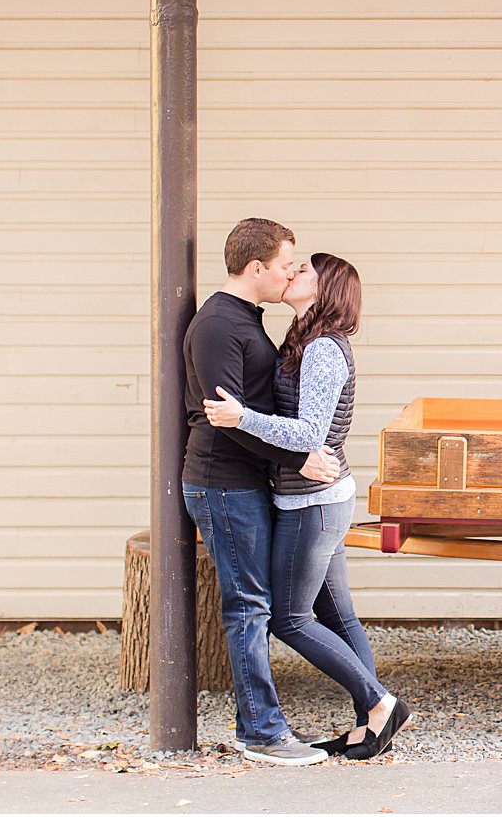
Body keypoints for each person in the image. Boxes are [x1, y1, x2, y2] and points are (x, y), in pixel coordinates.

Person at [204, 253, 411, 761]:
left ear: (327, 290)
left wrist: (240, 418)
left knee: (290, 618)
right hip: (316, 498)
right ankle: (372, 723)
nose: (293, 274)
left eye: (305, 271)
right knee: (336, 615)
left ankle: (379, 703)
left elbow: (308, 435)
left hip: (312, 504)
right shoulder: (304, 340)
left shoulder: (321, 350)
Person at [180, 218, 342, 766]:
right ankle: (261, 732)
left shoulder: (246, 320)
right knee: (249, 607)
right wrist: (299, 456)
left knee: (275, 603)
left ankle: (373, 707)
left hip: (250, 483)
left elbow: (251, 412)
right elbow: (226, 419)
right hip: (222, 485)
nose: (292, 274)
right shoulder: (219, 326)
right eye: (286, 266)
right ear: (257, 268)